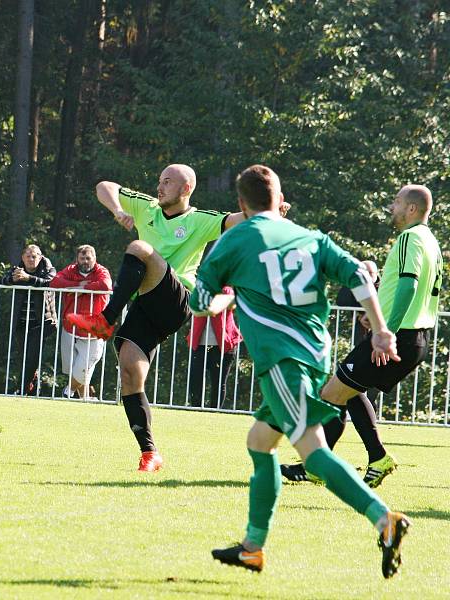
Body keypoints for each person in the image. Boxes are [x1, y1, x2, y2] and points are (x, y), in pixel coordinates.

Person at [192, 164, 409, 578]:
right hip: (314, 351)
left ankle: (385, 520)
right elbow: (360, 276)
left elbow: (200, 301)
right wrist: (380, 330)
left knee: (312, 452)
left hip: (282, 359)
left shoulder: (235, 238)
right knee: (260, 443)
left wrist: (223, 300)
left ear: (241, 204)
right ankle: (252, 547)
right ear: (279, 199)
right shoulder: (309, 237)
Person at [67, 164, 271, 472]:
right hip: (147, 306)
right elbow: (104, 186)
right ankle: (150, 453)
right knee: (130, 373)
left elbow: (239, 219)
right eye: (159, 180)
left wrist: (269, 209)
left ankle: (106, 318)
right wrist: (118, 210)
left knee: (139, 247)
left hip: (178, 299)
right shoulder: (147, 207)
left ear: (186, 189)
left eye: (167, 182)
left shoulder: (199, 220)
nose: (159, 186)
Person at [282, 185, 442, 488]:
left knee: (331, 393)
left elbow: (408, 285)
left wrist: (386, 331)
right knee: (349, 389)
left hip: (400, 335)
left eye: (396, 202)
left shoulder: (410, 237)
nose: (392, 207)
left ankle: (319, 466)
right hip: (415, 337)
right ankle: (374, 457)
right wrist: (378, 314)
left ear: (411, 209)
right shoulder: (430, 241)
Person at [50, 245, 112, 399]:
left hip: (94, 329)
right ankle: (85, 399)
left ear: (95, 259)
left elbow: (105, 285)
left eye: (88, 258)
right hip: (71, 327)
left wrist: (81, 289)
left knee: (85, 366)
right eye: (82, 258)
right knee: (75, 368)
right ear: (77, 259)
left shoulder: (101, 271)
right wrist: (79, 286)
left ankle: (68, 392)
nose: (85, 261)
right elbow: (55, 282)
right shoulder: (71, 270)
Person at [0, 244, 57, 395]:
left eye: (35, 256)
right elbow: (1, 281)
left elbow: (51, 282)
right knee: (25, 357)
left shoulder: (48, 269)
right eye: (28, 256)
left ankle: (21, 389)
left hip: (42, 323)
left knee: (32, 357)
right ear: (22, 258)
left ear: (40, 257)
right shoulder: (17, 269)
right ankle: (33, 387)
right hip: (21, 322)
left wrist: (28, 278)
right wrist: (13, 278)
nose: (31, 259)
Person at [186, 286, 241, 408]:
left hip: (222, 346)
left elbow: (227, 301)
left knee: (219, 382)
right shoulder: (199, 288)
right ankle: (195, 410)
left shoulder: (226, 290)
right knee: (195, 380)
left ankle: (214, 412)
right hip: (200, 345)